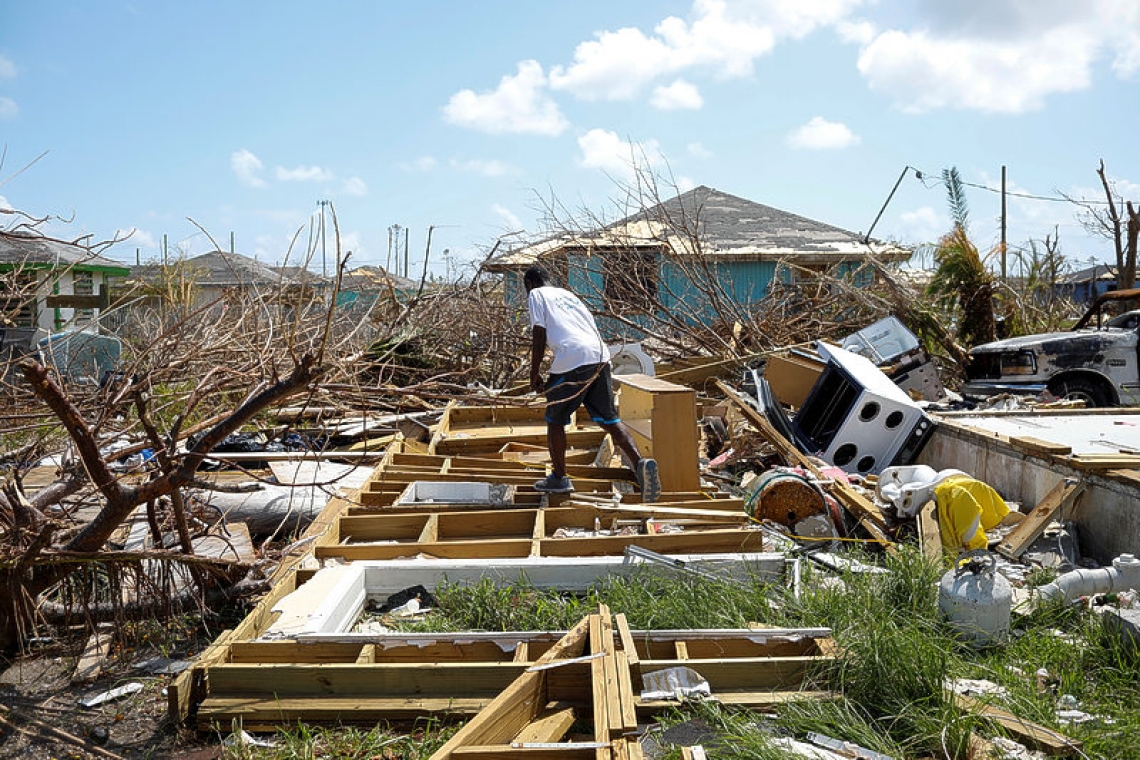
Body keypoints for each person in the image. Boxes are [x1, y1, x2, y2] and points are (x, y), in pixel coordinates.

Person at [524, 265, 660, 501]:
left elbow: (539, 331)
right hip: (600, 356)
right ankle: (640, 465)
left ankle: (559, 476)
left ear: (530, 284)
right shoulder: (570, 297)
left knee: (554, 419)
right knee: (609, 418)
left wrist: (534, 372)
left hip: (573, 357)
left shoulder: (537, 294)